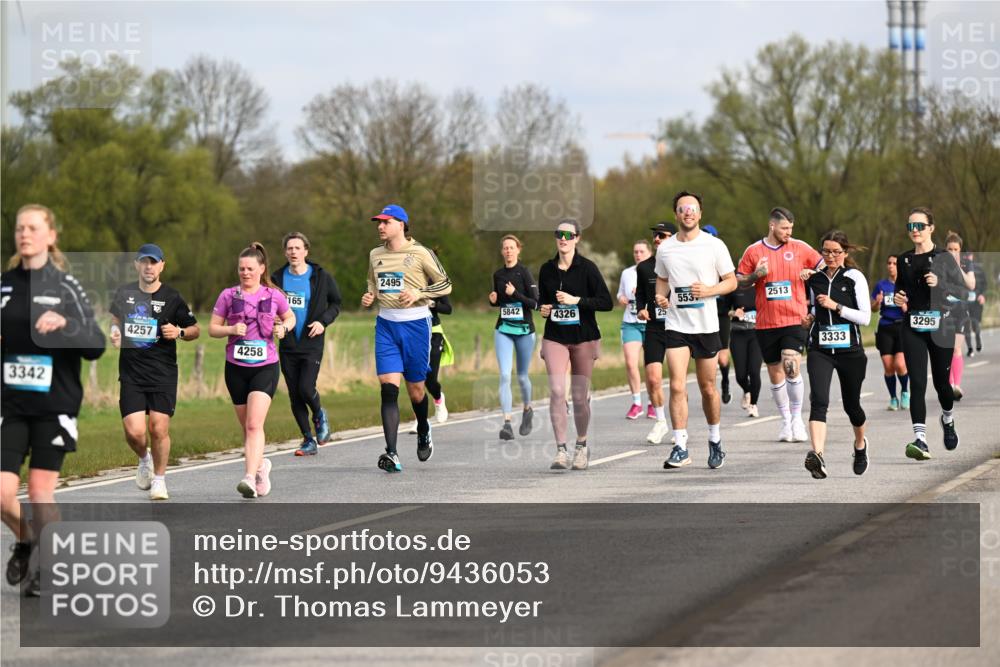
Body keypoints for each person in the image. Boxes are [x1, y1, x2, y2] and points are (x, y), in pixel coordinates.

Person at [1, 204, 105, 596]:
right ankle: (29, 541)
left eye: (32, 228)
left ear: (50, 236)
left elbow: (94, 344)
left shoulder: (65, 287)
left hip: (54, 405)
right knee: (1, 494)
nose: (24, 234)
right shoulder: (4, 285)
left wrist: (66, 324)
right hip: (10, 405)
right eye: (19, 229)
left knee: (41, 492)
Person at [361, 204, 452, 473]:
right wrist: (370, 296)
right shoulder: (375, 254)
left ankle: (423, 426)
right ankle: (392, 452)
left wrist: (419, 293)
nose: (380, 226)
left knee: (416, 390)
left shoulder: (420, 253)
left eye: (385, 222)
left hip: (416, 325)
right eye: (378, 222)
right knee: (388, 389)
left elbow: (446, 284)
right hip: (386, 325)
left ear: (401, 224)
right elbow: (372, 282)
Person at [110, 243, 199, 500]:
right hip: (132, 373)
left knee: (158, 428)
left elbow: (194, 329)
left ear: (162, 266)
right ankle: (144, 458)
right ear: (137, 265)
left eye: (154, 262)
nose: (149, 267)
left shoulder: (172, 297)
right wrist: (115, 331)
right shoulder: (124, 293)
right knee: (134, 431)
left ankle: (159, 480)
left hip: (162, 374)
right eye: (144, 262)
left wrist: (179, 332)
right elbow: (115, 319)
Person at [655, 192, 737, 470]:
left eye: (692, 209)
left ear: (700, 214)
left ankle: (715, 441)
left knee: (708, 388)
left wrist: (710, 290)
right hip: (676, 325)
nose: (687, 213)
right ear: (676, 214)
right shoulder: (665, 249)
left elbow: (732, 282)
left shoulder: (714, 245)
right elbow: (662, 280)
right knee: (677, 385)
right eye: (682, 209)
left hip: (706, 326)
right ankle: (680, 446)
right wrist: (661, 297)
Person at [209, 242, 294, 497]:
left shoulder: (273, 295)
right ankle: (260, 467)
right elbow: (213, 328)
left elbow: (290, 317)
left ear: (261, 269)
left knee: (255, 425)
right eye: (241, 269)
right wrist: (230, 330)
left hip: (265, 366)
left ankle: (247, 477)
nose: (245, 273)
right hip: (235, 367)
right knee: (247, 426)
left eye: (249, 268)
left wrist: (283, 328)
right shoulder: (228, 295)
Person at [737, 207, 822, 443]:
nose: (788, 232)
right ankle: (785, 421)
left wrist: (811, 271)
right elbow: (739, 281)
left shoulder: (800, 247)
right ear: (772, 225)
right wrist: (756, 275)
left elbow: (825, 265)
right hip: (766, 322)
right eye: (784, 228)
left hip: (794, 319)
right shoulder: (753, 251)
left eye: (791, 229)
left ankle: (797, 419)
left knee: (791, 364)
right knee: (775, 373)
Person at [538, 219, 613, 471]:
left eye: (569, 235)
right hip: (555, 336)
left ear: (577, 239)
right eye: (559, 234)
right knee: (558, 391)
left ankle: (581, 445)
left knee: (579, 397)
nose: (563, 238)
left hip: (584, 337)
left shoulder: (588, 268)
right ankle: (561, 450)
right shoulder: (547, 269)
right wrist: (545, 309)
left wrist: (576, 300)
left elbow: (606, 302)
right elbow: (543, 303)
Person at [893, 207, 967, 460]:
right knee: (917, 383)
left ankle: (947, 419)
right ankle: (920, 440)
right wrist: (898, 296)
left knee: (942, 385)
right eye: (910, 226)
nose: (914, 231)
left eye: (919, 226)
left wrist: (941, 285)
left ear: (931, 228)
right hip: (913, 326)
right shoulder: (904, 260)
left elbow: (961, 294)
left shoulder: (945, 258)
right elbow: (899, 291)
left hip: (941, 327)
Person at [801, 231, 872, 479]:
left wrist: (836, 306)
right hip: (820, 349)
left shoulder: (854, 278)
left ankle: (860, 445)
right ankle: (817, 455)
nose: (830, 256)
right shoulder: (815, 279)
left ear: (845, 253)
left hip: (850, 351)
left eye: (835, 252)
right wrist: (809, 317)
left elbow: (865, 317)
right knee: (818, 400)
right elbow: (811, 307)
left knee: (852, 405)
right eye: (826, 251)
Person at [271, 232, 342, 456]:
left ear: (306, 251)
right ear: (285, 252)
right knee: (294, 394)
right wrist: (273, 318)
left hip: (312, 341)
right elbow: (269, 305)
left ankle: (319, 414)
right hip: (288, 344)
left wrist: (323, 322)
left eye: (297, 248)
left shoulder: (320, 276)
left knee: (305, 387)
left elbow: (336, 303)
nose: (293, 252)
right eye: (289, 248)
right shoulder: (277, 278)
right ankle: (307, 440)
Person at [489, 235, 539, 440]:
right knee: (504, 375)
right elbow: (500, 300)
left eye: (512, 247)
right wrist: (494, 301)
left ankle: (527, 409)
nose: (508, 251)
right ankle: (507, 423)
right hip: (503, 329)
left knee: (521, 376)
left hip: (525, 331)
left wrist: (515, 293)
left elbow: (535, 303)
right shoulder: (498, 274)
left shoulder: (525, 273)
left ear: (518, 250)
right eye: (505, 248)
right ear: (502, 251)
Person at [636, 222, 676, 443]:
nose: (657, 239)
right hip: (654, 328)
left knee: (677, 381)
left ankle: (681, 425)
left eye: (662, 235)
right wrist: (641, 308)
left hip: (678, 327)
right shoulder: (643, 267)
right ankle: (661, 422)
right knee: (652, 379)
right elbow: (641, 294)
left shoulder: (682, 263)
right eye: (655, 235)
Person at [408, 293, 453, 433]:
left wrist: (431, 304)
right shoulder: (410, 280)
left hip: (434, 332)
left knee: (430, 378)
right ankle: (420, 420)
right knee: (416, 378)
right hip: (414, 332)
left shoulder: (435, 283)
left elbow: (448, 309)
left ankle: (439, 399)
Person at [871, 254, 910, 411]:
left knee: (900, 364)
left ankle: (905, 391)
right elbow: (873, 309)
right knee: (888, 366)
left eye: (894, 263)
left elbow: (913, 307)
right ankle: (893, 398)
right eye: (889, 262)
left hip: (902, 327)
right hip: (885, 326)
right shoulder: (881, 285)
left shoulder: (906, 285)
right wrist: (877, 302)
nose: (891, 265)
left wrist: (906, 307)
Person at [618, 241, 652, 419]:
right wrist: (622, 297)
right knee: (631, 363)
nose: (638, 254)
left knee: (651, 366)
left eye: (641, 251)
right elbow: (620, 294)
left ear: (649, 253)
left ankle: (652, 403)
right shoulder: (627, 273)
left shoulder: (655, 271)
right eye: (635, 251)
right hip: (630, 322)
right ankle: (637, 403)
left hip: (651, 323)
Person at [944, 233, 976, 400]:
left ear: (960, 250)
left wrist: (958, 268)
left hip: (960, 309)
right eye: (949, 249)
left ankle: (956, 385)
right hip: (942, 309)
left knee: (956, 348)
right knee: (945, 349)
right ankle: (949, 384)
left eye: (955, 249)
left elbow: (971, 284)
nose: (952, 252)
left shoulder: (966, 263)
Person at [704, 225, 733, 405]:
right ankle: (709, 388)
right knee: (708, 356)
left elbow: (733, 289)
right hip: (703, 314)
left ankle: (725, 381)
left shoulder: (723, 264)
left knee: (722, 359)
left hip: (721, 315)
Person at [727, 281, 763, 418]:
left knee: (754, 371)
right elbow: (724, 309)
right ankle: (747, 390)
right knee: (740, 375)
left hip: (757, 333)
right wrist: (734, 313)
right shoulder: (734, 287)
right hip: (738, 334)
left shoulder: (761, 286)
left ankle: (753, 404)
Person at [962, 251, 986, 357]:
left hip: (976, 301)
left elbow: (985, 284)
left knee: (975, 324)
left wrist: (982, 295)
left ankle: (978, 339)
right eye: (966, 255)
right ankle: (970, 349)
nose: (968, 257)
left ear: (972, 256)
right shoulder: (960, 268)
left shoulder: (979, 269)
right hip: (964, 302)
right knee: (966, 325)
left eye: (969, 255)